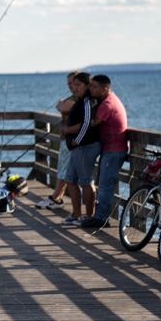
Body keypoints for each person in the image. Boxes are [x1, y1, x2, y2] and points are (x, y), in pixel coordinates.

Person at [81, 75, 129, 229]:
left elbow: (91, 124)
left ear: (104, 89)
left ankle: (101, 218)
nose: (91, 89)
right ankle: (100, 216)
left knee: (105, 184)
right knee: (103, 182)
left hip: (114, 150)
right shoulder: (110, 99)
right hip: (110, 149)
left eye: (94, 87)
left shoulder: (108, 104)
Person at [60, 72, 101, 225]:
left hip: (85, 146)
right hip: (76, 148)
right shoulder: (79, 101)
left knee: (86, 181)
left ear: (88, 86)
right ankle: (76, 214)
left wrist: (76, 139)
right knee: (70, 179)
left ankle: (90, 216)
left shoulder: (88, 102)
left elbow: (87, 123)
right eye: (73, 85)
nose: (74, 88)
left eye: (78, 85)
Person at [36, 71, 80, 209]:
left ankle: (57, 198)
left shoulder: (80, 98)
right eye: (68, 84)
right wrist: (63, 105)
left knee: (66, 170)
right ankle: (57, 197)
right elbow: (59, 106)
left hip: (73, 139)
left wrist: (63, 106)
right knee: (63, 168)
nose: (71, 86)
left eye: (73, 83)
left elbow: (64, 107)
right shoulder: (73, 97)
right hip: (66, 138)